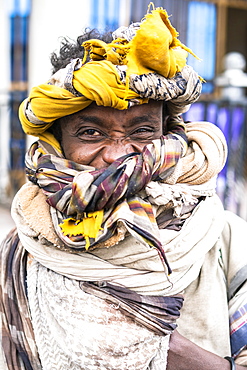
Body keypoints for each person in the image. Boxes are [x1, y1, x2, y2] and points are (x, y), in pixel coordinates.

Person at [1, 4, 247, 370]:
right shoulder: (25, 249)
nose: (118, 155)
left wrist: (171, 352)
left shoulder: (225, 239)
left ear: (170, 133)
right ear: (57, 144)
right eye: (91, 132)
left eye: (142, 131)